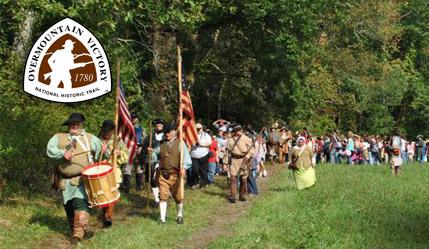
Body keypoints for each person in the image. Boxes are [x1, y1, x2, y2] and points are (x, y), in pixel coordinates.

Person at [47, 113, 102, 240]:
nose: (74, 126)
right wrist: (62, 153)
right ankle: (74, 229)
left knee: (80, 202)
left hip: (82, 179)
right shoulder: (59, 137)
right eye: (72, 124)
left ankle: (79, 231)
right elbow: (50, 150)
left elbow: (101, 155)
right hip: (64, 180)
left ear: (81, 125)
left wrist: (106, 151)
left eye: (77, 124)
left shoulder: (90, 138)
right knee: (69, 206)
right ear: (68, 125)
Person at [158, 124, 192, 224]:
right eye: (165, 132)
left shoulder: (180, 144)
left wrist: (184, 168)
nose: (166, 134)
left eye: (168, 132)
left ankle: (179, 215)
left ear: (174, 132)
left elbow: (187, 159)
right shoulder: (161, 144)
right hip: (163, 175)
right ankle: (162, 219)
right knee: (163, 195)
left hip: (177, 175)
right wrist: (150, 152)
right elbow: (156, 154)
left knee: (178, 196)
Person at [98, 120, 128, 227]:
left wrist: (119, 154)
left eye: (108, 132)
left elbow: (126, 157)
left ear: (112, 131)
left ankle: (108, 217)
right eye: (104, 131)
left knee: (111, 193)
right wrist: (99, 151)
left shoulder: (118, 141)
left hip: (113, 170)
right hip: (100, 170)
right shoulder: (97, 140)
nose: (106, 134)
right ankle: (104, 213)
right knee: (102, 193)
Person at [223, 124, 255, 203]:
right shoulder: (230, 140)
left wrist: (248, 155)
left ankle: (241, 195)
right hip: (234, 160)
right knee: (233, 178)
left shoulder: (246, 138)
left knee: (243, 179)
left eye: (240, 130)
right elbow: (227, 152)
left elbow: (252, 149)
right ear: (235, 131)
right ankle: (233, 196)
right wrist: (225, 163)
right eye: (238, 130)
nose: (240, 131)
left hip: (243, 160)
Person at [142, 118, 164, 207]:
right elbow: (144, 147)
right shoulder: (150, 137)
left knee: (162, 180)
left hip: (163, 161)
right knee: (153, 180)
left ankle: (163, 196)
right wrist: (147, 150)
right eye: (157, 125)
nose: (158, 127)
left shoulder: (166, 136)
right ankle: (156, 199)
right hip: (152, 161)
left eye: (160, 125)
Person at [121, 112, 144, 192]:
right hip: (129, 149)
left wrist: (142, 147)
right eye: (132, 118)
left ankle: (139, 187)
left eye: (135, 118)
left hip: (139, 149)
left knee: (139, 168)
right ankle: (126, 187)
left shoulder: (141, 128)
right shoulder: (127, 128)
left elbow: (144, 139)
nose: (134, 119)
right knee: (127, 168)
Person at [190, 123, 212, 189]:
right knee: (195, 170)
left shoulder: (206, 135)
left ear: (202, 128)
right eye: (197, 129)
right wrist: (193, 144)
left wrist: (200, 143)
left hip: (204, 154)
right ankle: (196, 182)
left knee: (203, 170)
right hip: (194, 154)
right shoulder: (192, 134)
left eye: (199, 129)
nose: (198, 130)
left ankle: (203, 184)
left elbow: (210, 142)